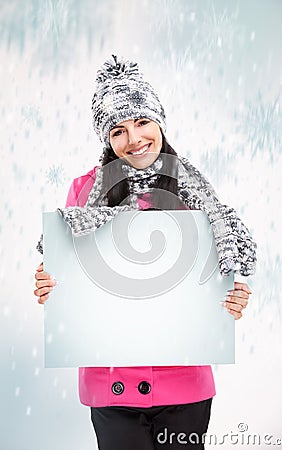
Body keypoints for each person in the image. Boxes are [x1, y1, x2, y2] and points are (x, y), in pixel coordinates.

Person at [34, 55, 256, 450]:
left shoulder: (196, 192)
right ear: (107, 140)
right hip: (111, 382)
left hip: (184, 381)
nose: (133, 138)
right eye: (117, 131)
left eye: (141, 122)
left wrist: (229, 300)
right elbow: (69, 276)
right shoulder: (84, 192)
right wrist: (51, 286)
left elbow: (214, 278)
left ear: (159, 123)